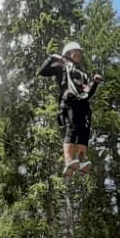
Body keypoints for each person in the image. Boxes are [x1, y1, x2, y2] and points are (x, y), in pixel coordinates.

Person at [38, 41, 102, 176]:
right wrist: (52, 57)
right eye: (74, 52)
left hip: (83, 104)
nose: (78, 54)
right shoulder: (61, 65)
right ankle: (68, 161)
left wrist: (95, 83)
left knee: (83, 134)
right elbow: (42, 72)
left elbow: (88, 92)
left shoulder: (83, 74)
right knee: (71, 131)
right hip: (69, 102)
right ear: (67, 54)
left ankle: (80, 161)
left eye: (79, 52)